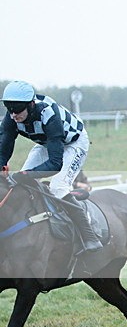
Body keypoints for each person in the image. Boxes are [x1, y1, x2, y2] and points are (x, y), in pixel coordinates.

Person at [1, 81, 102, 253]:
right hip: (47, 143)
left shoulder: (49, 115)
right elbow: (4, 148)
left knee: (58, 186)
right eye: (10, 110)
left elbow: (55, 164)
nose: (13, 115)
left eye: (17, 110)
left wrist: (25, 173)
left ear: (31, 105)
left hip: (73, 143)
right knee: (21, 183)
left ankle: (89, 235)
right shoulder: (11, 117)